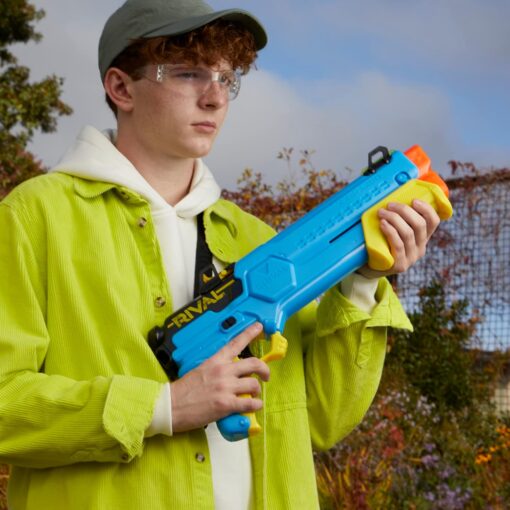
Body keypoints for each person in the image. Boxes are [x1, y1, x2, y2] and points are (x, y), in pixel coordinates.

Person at [0, 1, 441, 509]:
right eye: (188, 73)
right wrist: (162, 408)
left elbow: (322, 419)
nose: (214, 97)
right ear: (121, 88)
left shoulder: (257, 241)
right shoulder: (35, 217)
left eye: (227, 78)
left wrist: (361, 282)